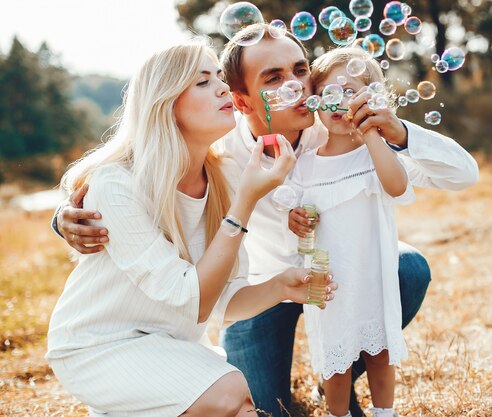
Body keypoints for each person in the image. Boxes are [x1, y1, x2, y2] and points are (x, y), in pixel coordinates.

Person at [54, 23, 478, 416]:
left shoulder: (344, 131)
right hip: (257, 298)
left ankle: (339, 372)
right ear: (241, 102)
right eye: (273, 78)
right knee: (259, 404)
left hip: (334, 283)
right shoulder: (220, 156)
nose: (294, 86)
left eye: (300, 70)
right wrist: (65, 219)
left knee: (408, 267)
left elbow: (462, 175)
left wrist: (400, 132)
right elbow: (139, 174)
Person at [45, 40, 337, 417]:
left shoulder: (226, 173)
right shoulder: (117, 183)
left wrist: (280, 285)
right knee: (231, 391)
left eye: (219, 77)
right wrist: (245, 203)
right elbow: (190, 299)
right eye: (202, 82)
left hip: (170, 343)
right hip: (98, 345)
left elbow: (224, 298)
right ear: (165, 103)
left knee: (244, 408)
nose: (222, 88)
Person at [287, 47, 420, 417]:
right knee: (336, 357)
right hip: (327, 275)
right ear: (315, 101)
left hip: (370, 270)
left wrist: (371, 135)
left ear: (370, 100)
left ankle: (384, 412)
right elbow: (298, 216)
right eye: (330, 92)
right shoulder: (305, 164)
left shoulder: (373, 154)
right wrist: (294, 220)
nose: (340, 101)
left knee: (380, 352)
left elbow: (396, 185)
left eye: (351, 92)